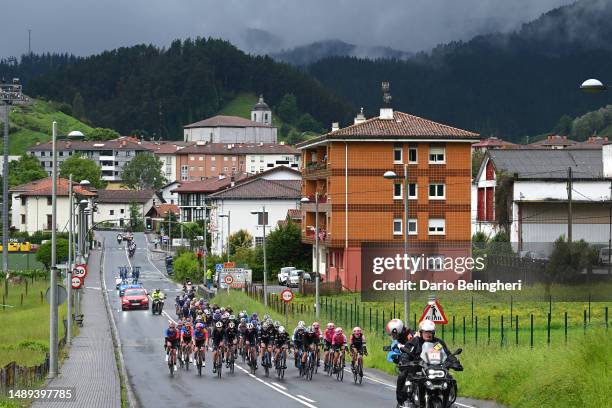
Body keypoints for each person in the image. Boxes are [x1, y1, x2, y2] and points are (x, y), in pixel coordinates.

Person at [386, 318, 416, 408]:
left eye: (393, 334)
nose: (392, 336)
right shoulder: (402, 336)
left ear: (397, 330)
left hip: (417, 360)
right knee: (403, 376)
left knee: (402, 376)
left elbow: (411, 349)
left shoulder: (410, 336)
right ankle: (401, 401)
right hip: (410, 360)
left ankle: (401, 400)